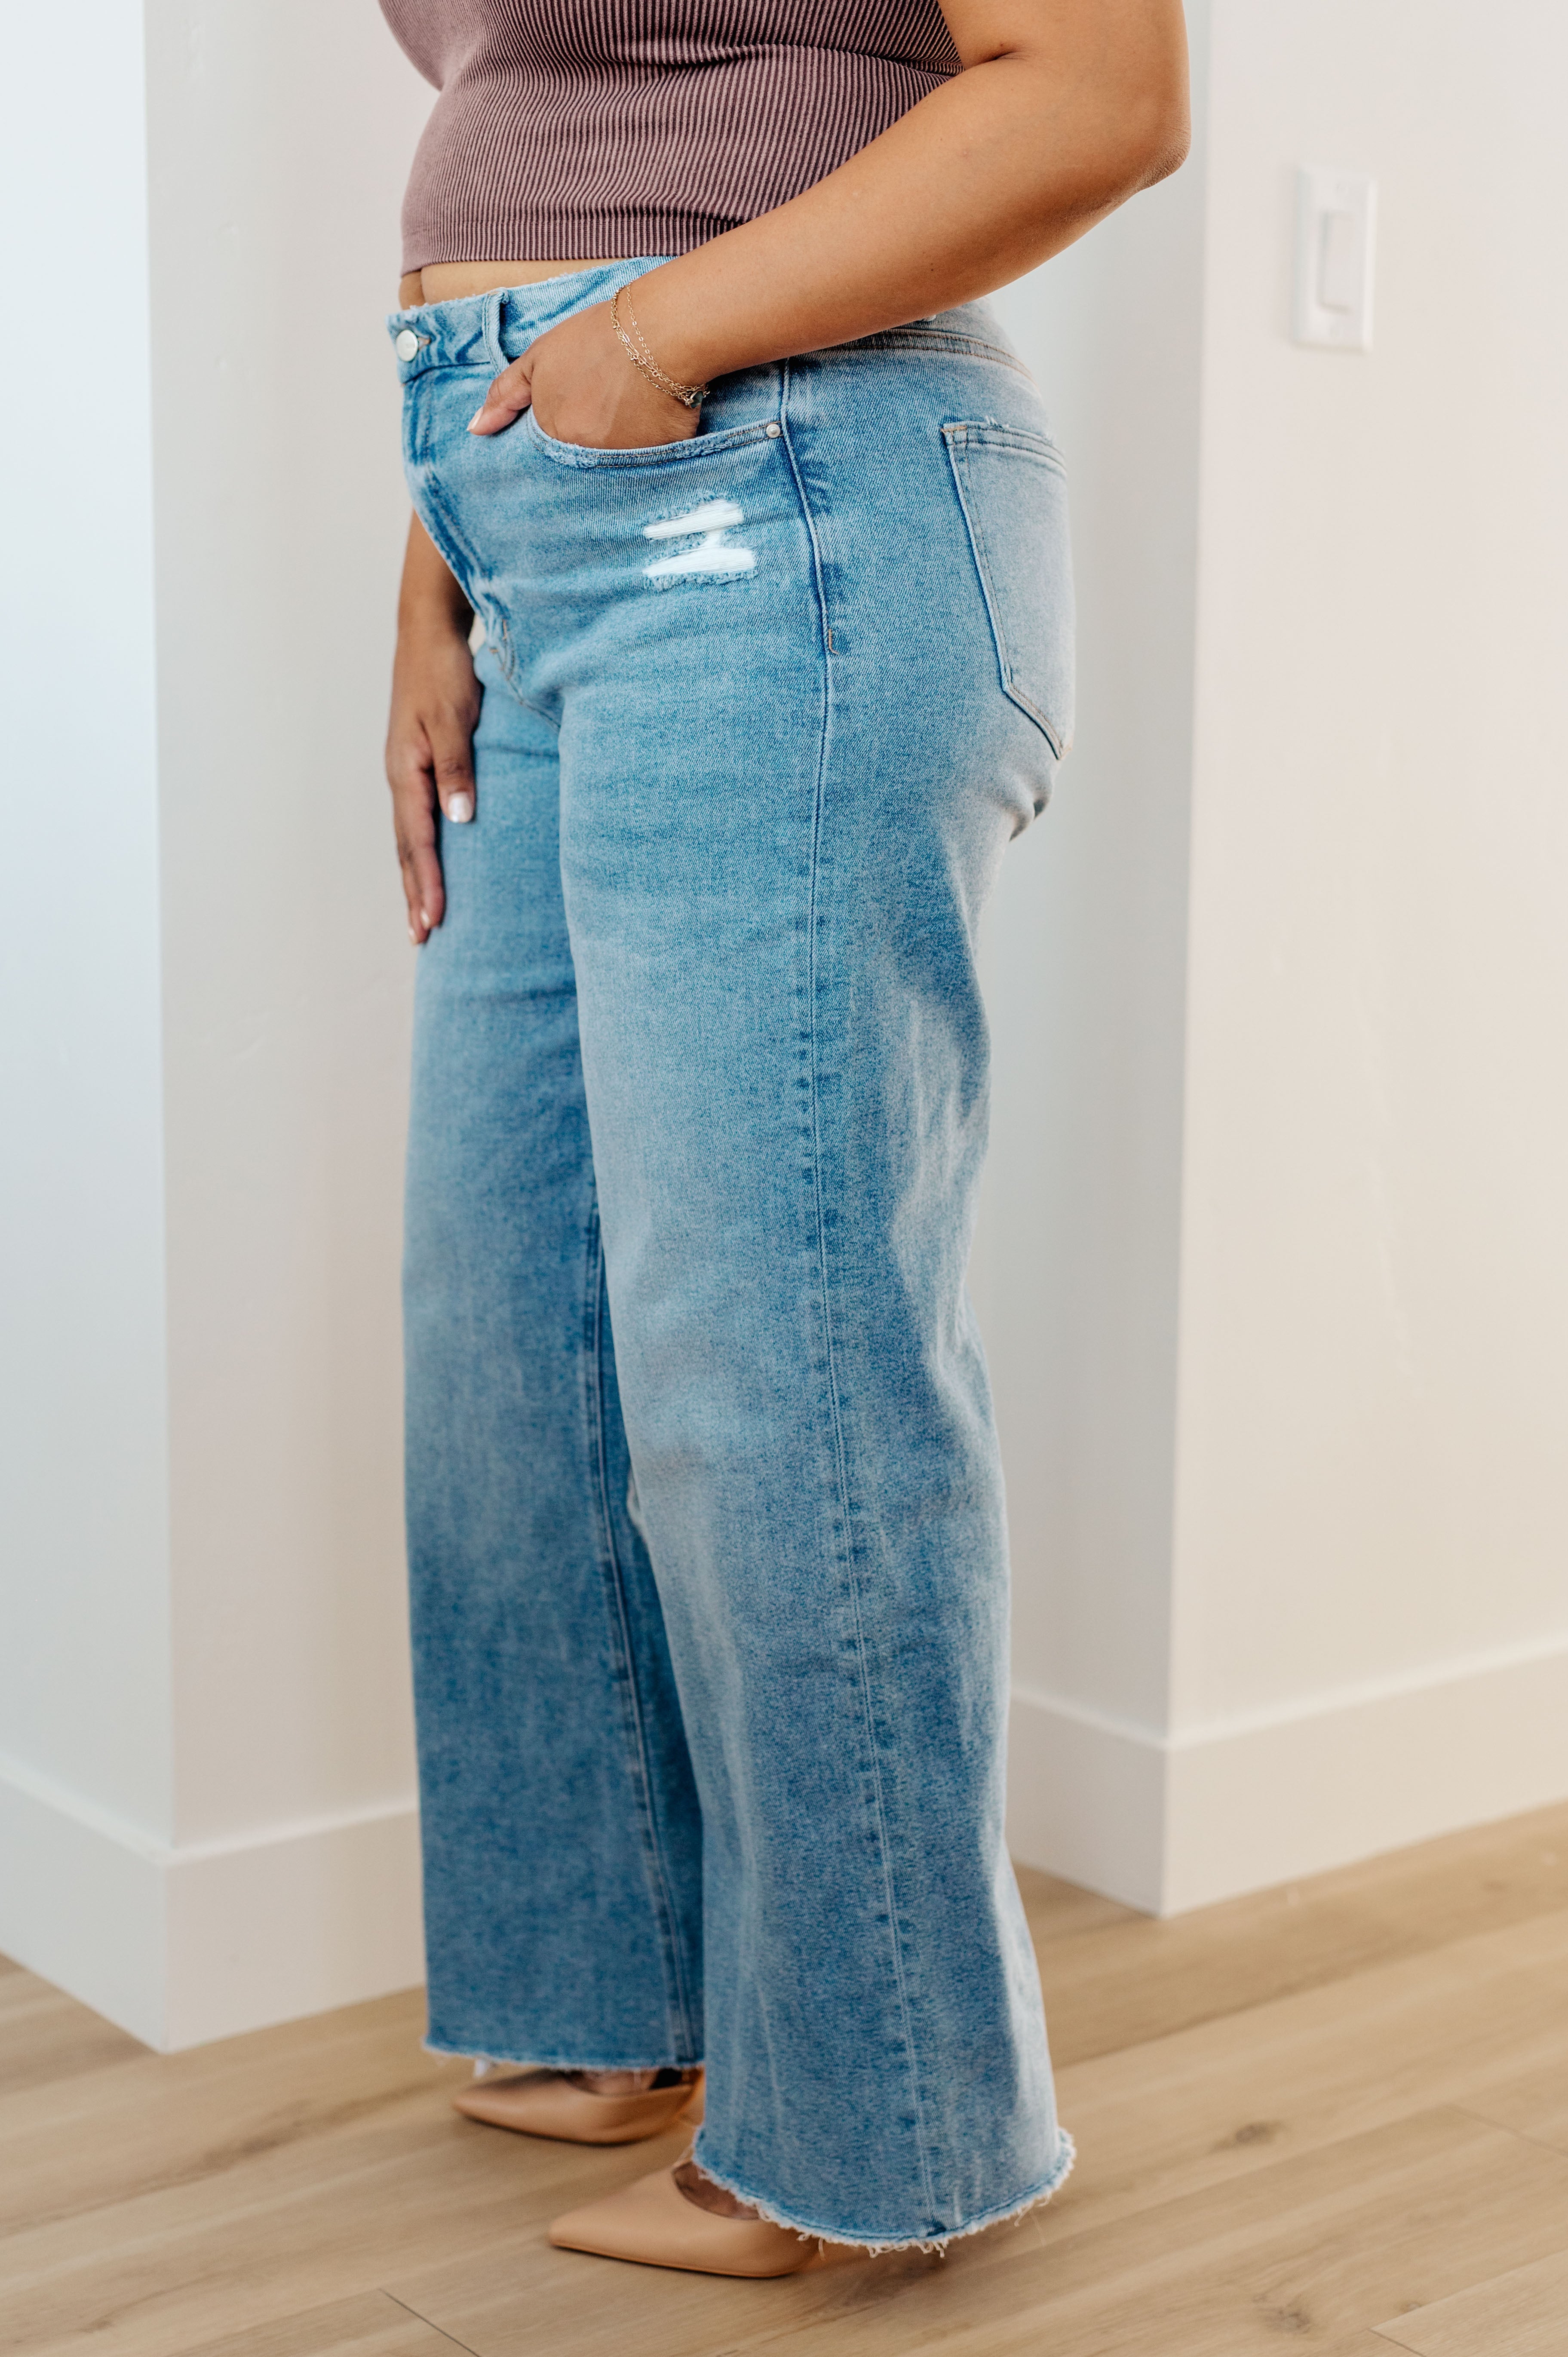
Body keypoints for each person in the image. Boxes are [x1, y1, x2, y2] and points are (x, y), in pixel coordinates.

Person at [380, 0, 1187, 2279]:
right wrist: (438, 563)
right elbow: (535, 129)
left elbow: (1103, 96)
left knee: (781, 1354)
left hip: (783, 495)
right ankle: (613, 1993)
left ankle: (874, 2127)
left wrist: (646, 342)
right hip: (532, 527)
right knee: (515, 1327)